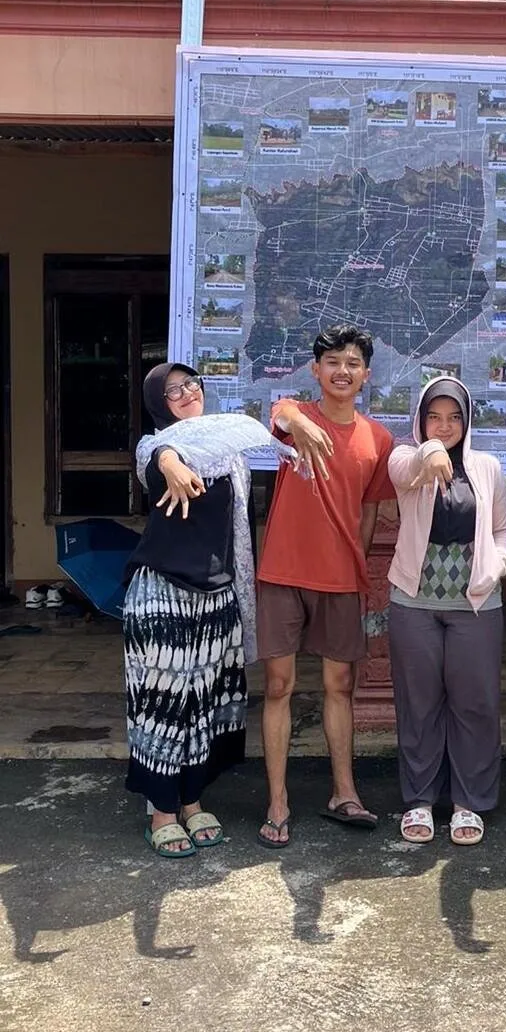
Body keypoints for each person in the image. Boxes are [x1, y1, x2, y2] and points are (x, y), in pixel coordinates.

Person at [125, 363, 292, 857]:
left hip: (217, 595)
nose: (185, 393)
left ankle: (193, 801)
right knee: (162, 705)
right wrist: (170, 457)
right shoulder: (153, 448)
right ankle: (161, 810)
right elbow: (156, 455)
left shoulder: (228, 454)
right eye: (172, 390)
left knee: (205, 704)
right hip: (163, 595)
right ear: (157, 401)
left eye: (192, 384)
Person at [256, 324, 395, 847]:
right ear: (316, 370)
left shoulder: (377, 438)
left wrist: (352, 560)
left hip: (340, 578)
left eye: (353, 362)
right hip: (283, 573)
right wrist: (296, 419)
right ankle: (278, 800)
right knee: (278, 687)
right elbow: (279, 413)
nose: (342, 370)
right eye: (332, 361)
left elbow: (369, 511)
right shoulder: (295, 418)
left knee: (341, 687)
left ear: (366, 374)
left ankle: (344, 791)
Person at [387, 377, 506, 846]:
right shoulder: (406, 458)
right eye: (434, 417)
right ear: (420, 421)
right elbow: (404, 469)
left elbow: (504, 528)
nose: (444, 426)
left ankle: (469, 802)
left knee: (475, 703)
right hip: (413, 602)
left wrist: (498, 564)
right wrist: (430, 451)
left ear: (468, 420)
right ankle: (419, 800)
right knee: (418, 704)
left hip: (476, 603)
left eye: (454, 417)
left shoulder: (487, 466)